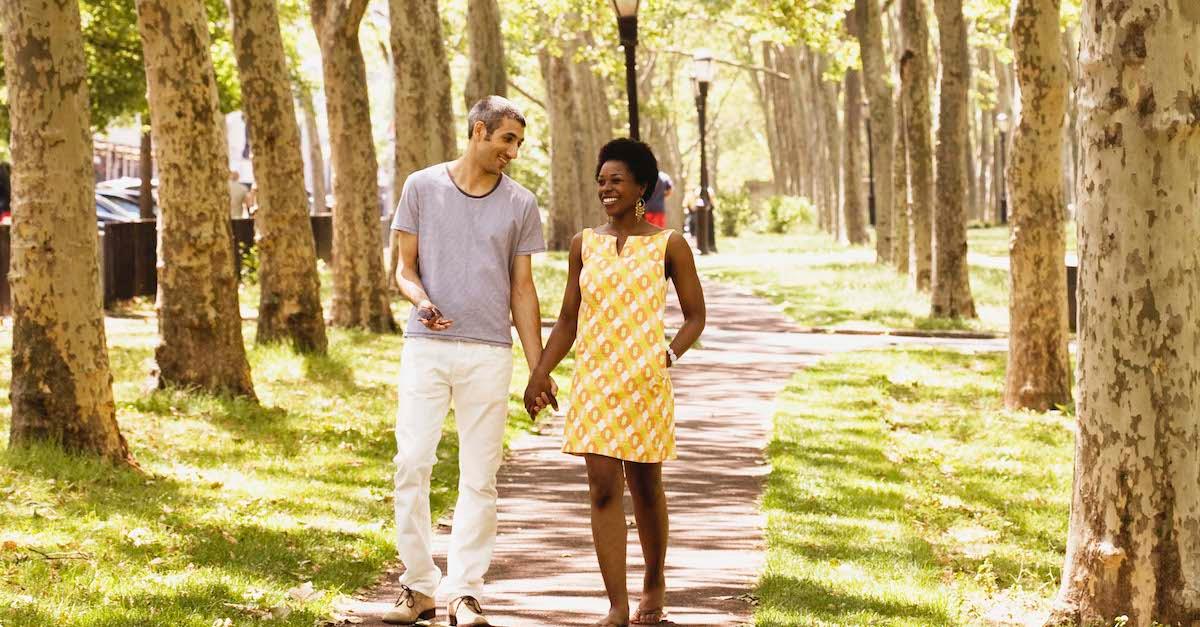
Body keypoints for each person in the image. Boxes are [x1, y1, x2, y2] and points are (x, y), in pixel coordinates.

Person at [524, 138, 706, 626]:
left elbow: (695, 316)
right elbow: (567, 318)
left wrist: (666, 355)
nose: (606, 188)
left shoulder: (669, 245)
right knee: (603, 486)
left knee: (646, 488)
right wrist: (540, 371)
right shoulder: (584, 244)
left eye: (616, 180)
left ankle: (654, 583)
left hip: (645, 382)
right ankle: (617, 606)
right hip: (594, 381)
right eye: (601, 181)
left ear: (641, 186)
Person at [385, 96, 547, 626]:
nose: (514, 152)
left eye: (518, 143)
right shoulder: (421, 187)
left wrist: (537, 367)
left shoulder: (521, 203)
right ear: (479, 131)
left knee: (480, 477)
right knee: (412, 463)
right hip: (426, 347)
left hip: (489, 352)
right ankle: (418, 587)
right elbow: (403, 271)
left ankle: (465, 592)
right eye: (507, 140)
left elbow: (523, 291)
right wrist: (422, 301)